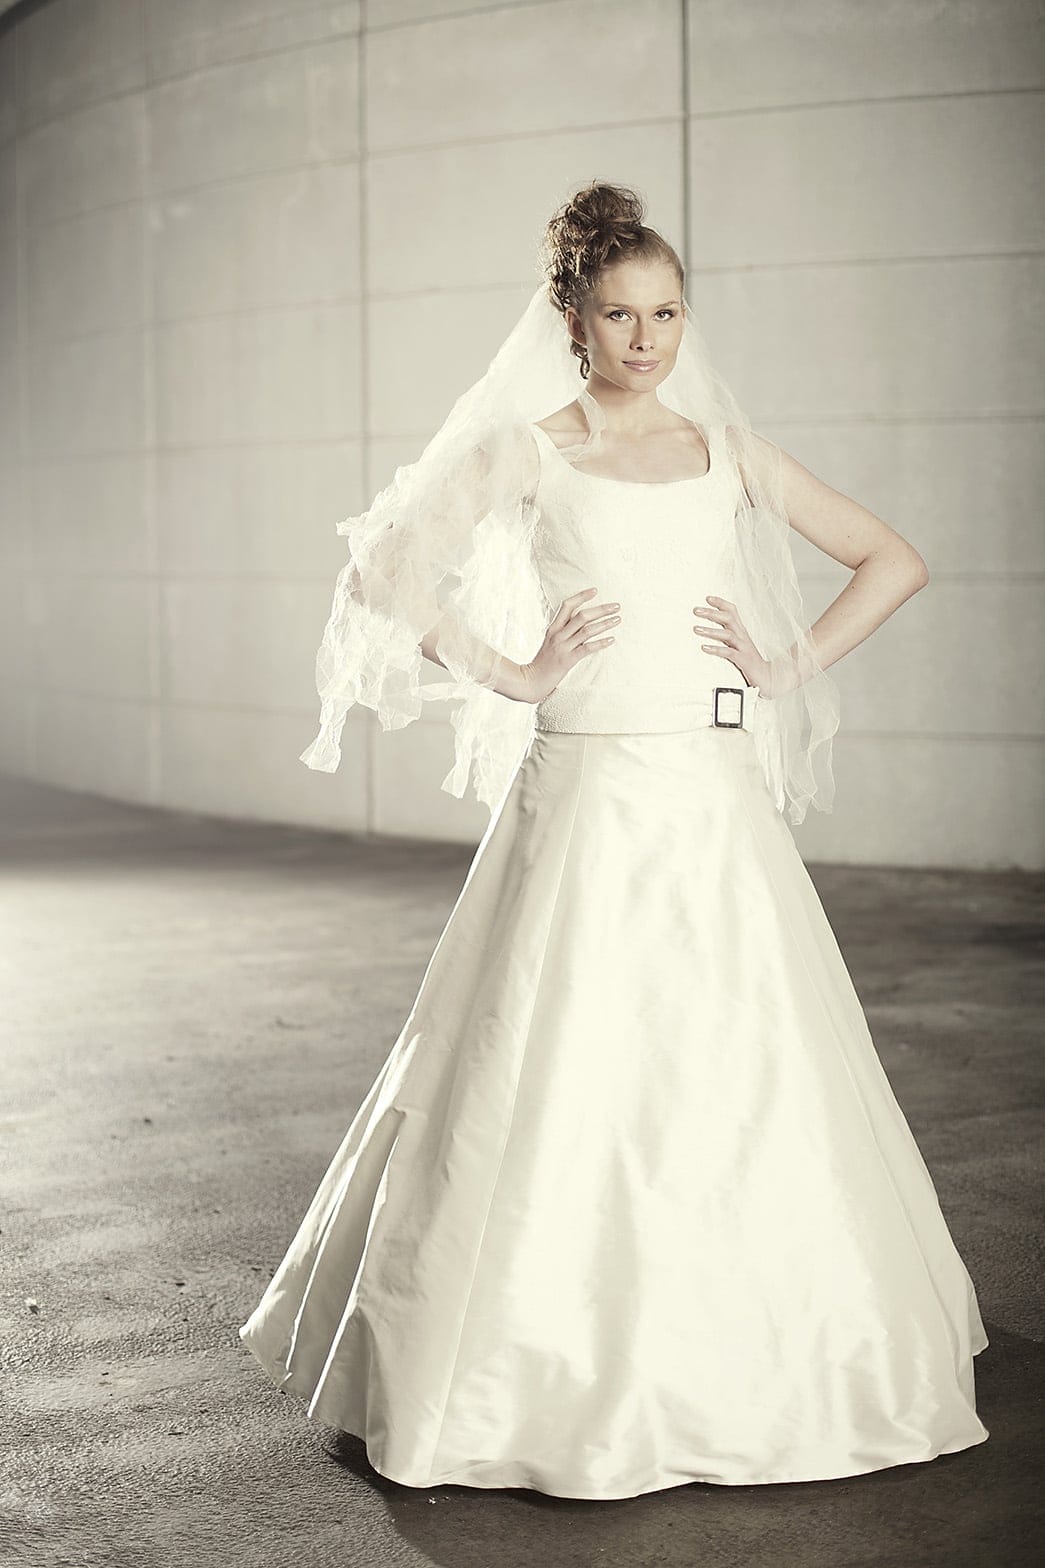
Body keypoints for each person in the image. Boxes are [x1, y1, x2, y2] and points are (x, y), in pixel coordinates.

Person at [238, 182, 989, 1500]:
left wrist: (783, 663)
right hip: (581, 794)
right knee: (553, 1065)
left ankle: (769, 1355)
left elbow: (893, 559)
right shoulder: (529, 451)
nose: (647, 339)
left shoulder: (726, 452)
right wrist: (515, 673)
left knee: (743, 1065)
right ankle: (532, 1374)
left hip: (709, 797)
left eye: (667, 314)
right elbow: (381, 568)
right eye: (620, 314)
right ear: (572, 320)